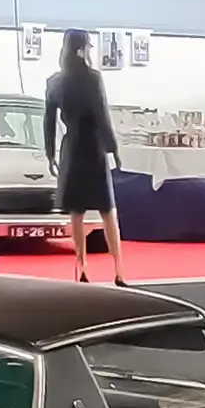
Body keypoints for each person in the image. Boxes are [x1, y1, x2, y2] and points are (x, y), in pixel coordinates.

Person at [44, 28, 127, 283]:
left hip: (71, 149)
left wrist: (50, 153)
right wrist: (114, 148)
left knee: (76, 213)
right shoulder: (93, 78)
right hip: (93, 147)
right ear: (83, 48)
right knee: (108, 211)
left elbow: (48, 121)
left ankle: (81, 269)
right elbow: (102, 115)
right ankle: (119, 270)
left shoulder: (55, 81)